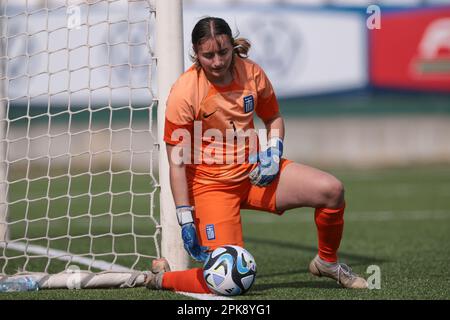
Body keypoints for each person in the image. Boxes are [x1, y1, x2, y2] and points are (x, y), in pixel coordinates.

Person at [144, 17, 368, 293]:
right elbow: (176, 163)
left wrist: (273, 153)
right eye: (208, 55)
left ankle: (327, 262)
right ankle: (160, 279)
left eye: (223, 52)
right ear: (195, 52)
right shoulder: (185, 92)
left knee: (331, 190)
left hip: (256, 176)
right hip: (212, 188)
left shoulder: (252, 73)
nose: (217, 62)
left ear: (232, 47)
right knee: (224, 281)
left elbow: (273, 117)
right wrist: (185, 216)